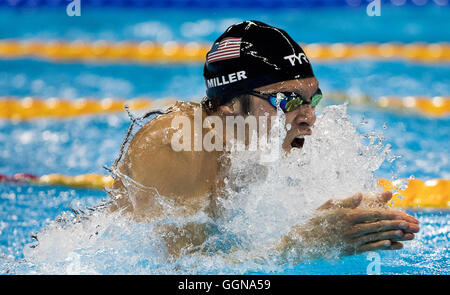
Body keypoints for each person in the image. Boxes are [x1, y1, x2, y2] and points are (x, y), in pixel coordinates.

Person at [108, 21, 419, 259]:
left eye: (312, 99)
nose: (309, 118)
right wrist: (302, 246)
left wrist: (348, 222)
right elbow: (181, 271)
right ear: (229, 103)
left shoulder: (267, 140)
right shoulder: (174, 145)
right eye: (286, 100)